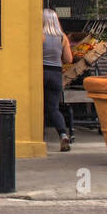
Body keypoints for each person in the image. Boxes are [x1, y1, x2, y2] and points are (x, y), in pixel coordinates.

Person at [43, 8, 73, 152]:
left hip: (41, 72)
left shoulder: (39, 35)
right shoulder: (63, 37)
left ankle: (38, 138)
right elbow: (69, 59)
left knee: (36, 106)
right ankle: (62, 134)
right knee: (53, 108)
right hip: (56, 74)